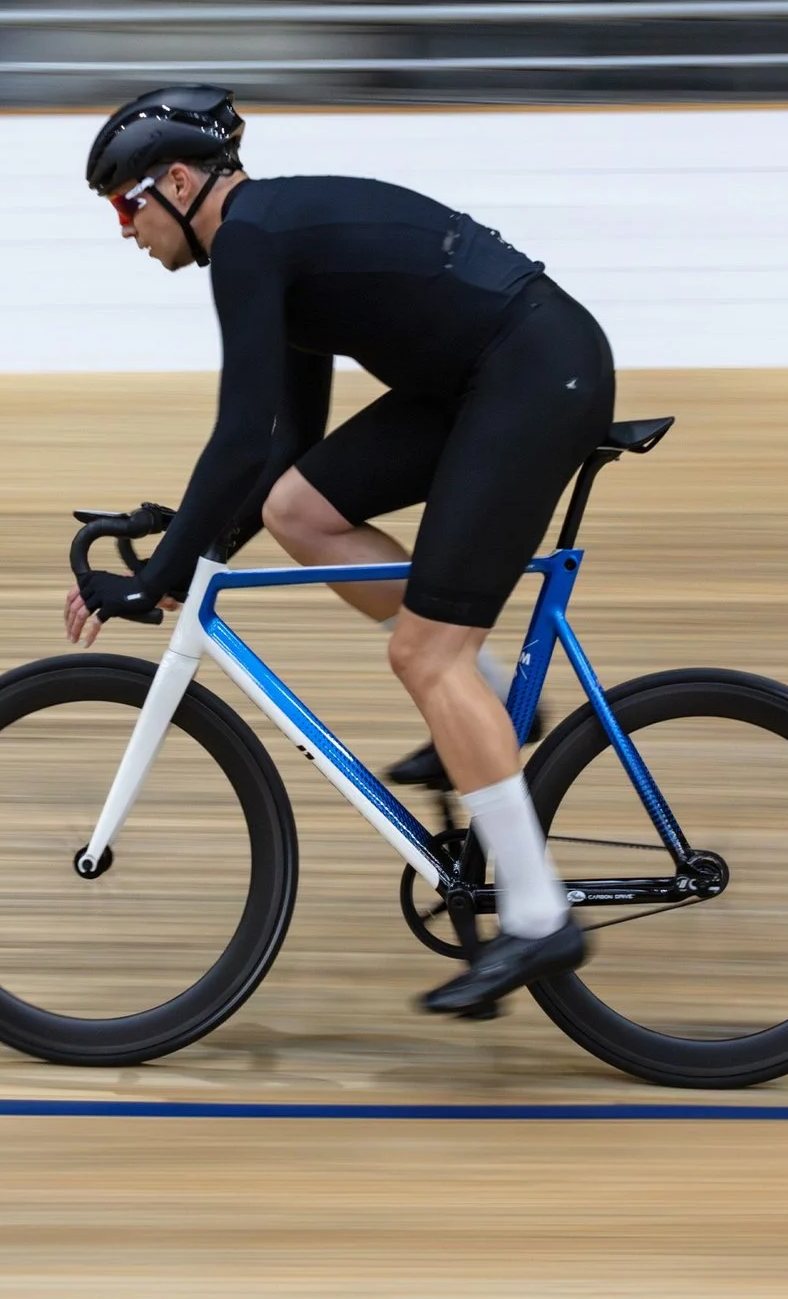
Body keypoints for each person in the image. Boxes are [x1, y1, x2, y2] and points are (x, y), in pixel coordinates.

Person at [62, 85, 615, 1015]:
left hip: (531, 376)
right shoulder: (268, 242)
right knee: (300, 511)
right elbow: (284, 449)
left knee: (421, 652)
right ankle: (481, 698)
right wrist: (200, 556)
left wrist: (160, 575)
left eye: (127, 205)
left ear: (182, 182)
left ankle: (537, 916)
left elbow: (236, 434)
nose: (125, 229)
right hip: (498, 373)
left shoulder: (247, 243)